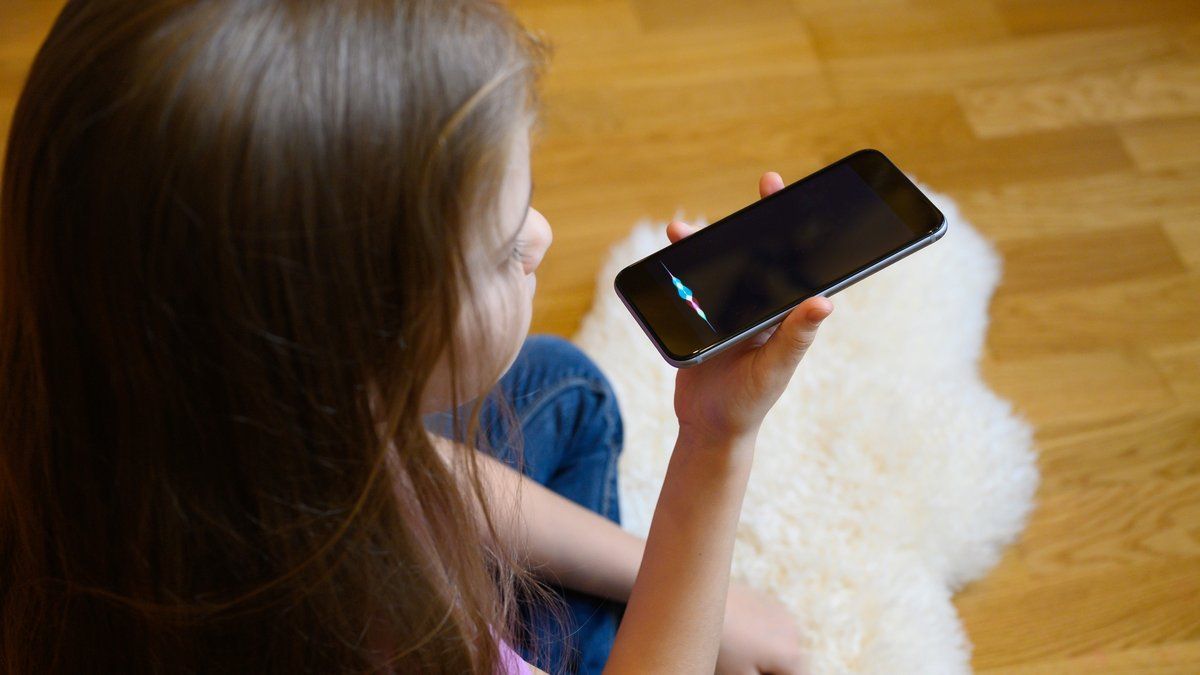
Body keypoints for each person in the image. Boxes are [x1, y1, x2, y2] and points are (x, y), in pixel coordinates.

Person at [0, 1, 832, 673]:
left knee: (566, 390)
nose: (541, 236)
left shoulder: (143, 375)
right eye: (503, 249)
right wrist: (715, 444)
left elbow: (406, 466)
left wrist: (658, 573)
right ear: (345, 344)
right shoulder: (372, 641)